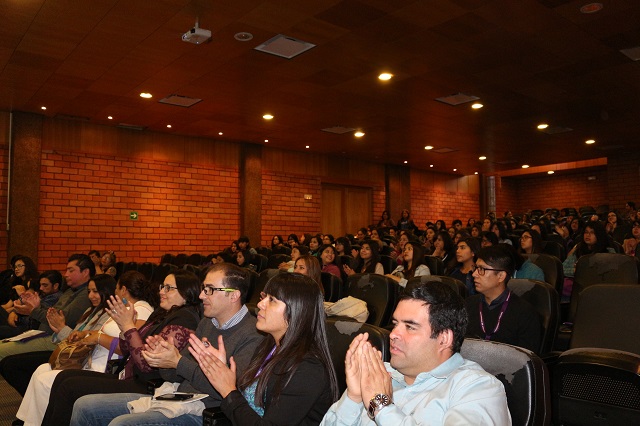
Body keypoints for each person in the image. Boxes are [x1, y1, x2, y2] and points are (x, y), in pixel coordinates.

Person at [69, 263, 264, 426]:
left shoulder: (254, 335)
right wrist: (164, 358)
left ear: (233, 295)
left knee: (122, 424)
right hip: (176, 396)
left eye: (210, 290)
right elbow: (175, 374)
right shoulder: (207, 323)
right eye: (204, 289)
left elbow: (226, 391)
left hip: (206, 410)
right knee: (84, 405)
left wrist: (178, 362)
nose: (202, 296)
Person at [320, 281, 511, 424]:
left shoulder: (479, 388)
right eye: (395, 324)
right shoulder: (379, 374)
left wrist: (381, 406)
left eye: (410, 327)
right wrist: (353, 397)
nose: (393, 334)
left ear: (444, 338)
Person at [40, 270, 203, 426]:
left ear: (186, 293)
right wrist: (125, 327)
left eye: (169, 288)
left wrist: (128, 326)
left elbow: (147, 366)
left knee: (69, 387)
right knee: (63, 378)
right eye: (162, 287)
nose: (162, 292)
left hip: (148, 384)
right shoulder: (162, 314)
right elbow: (126, 349)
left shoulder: (184, 320)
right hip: (129, 375)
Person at [188, 272, 339, 425]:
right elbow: (248, 402)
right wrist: (222, 370)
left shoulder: (308, 368)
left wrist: (228, 390)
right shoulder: (268, 347)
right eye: (263, 297)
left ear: (297, 310)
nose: (260, 304)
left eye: (272, 300)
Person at [12, 274, 127, 425]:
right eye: (89, 291)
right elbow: (75, 337)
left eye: (96, 291)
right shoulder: (90, 311)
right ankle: (24, 421)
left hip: (86, 362)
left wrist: (62, 329)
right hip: (75, 357)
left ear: (109, 292)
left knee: (41, 377)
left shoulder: (109, 315)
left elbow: (85, 342)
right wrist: (60, 330)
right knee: (41, 369)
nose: (91, 296)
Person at [0, 254, 95, 361]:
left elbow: (62, 318)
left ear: (85, 272)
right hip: (42, 333)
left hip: (55, 339)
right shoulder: (70, 290)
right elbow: (52, 311)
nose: (66, 274)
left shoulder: (86, 294)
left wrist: (33, 310)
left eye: (71, 271)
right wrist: (35, 305)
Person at [465, 246, 542, 354]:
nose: (474, 274)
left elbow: (526, 360)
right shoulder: (467, 305)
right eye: (475, 268)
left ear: (501, 276)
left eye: (481, 269)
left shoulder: (525, 313)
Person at [0, 270, 63, 339]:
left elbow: (34, 314)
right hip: (19, 321)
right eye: (40, 285)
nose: (41, 288)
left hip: (27, 328)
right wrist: (14, 312)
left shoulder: (55, 298)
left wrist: (16, 311)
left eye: (45, 285)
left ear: (55, 286)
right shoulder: (45, 294)